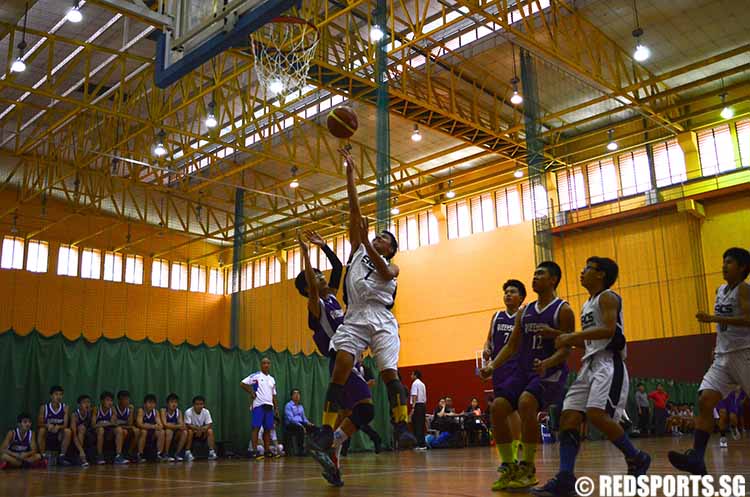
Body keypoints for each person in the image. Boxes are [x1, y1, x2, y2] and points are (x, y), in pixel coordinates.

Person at [309, 146, 416, 473]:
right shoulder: (357, 250)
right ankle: (327, 429)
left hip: (382, 318)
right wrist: (351, 173)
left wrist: (370, 242)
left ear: (390, 248)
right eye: (378, 235)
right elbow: (355, 211)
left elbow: (385, 273)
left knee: (388, 374)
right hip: (355, 316)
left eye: (385, 238)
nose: (379, 238)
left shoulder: (392, 266)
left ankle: (401, 427)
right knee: (341, 365)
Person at [532, 256, 650, 497]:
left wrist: (568, 336)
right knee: (568, 418)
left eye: (588, 268)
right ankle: (565, 477)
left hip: (609, 363)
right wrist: (559, 336)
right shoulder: (587, 304)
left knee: (597, 415)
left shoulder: (608, 297)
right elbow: (587, 342)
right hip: (589, 365)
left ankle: (637, 457)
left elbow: (608, 331)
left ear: (601, 275)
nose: (582, 272)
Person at [294, 230, 380, 486]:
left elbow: (337, 266)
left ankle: (333, 456)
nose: (321, 276)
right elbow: (311, 280)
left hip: (349, 357)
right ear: (308, 287)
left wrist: (323, 246)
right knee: (364, 409)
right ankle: (329, 439)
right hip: (338, 359)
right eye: (315, 276)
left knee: (355, 411)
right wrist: (306, 255)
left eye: (320, 274)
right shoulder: (315, 305)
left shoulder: (331, 295)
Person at [480, 262, 574, 491]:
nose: (535, 277)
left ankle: (528, 468)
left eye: (540, 274)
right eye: (533, 274)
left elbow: (568, 346)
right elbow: (511, 346)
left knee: (526, 403)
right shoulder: (525, 312)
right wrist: (492, 366)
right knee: (498, 407)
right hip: (522, 371)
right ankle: (509, 466)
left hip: (550, 371)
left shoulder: (563, 309)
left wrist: (548, 363)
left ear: (553, 280)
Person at [669, 248, 750, 475]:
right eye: (723, 261)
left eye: (730, 262)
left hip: (745, 353)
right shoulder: (720, 290)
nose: (724, 265)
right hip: (723, 357)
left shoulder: (744, 289)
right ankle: (697, 457)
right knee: (705, 400)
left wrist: (713, 318)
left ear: (743, 267)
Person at [482, 279, 527, 464]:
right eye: (506, 291)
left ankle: (516, 448)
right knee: (501, 410)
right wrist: (486, 349)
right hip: (499, 367)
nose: (508, 294)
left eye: (512, 291)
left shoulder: (524, 315)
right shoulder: (497, 316)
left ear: (521, 297)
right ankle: (509, 449)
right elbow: (488, 340)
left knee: (511, 408)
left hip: (516, 367)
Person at [241, 357, 279, 460]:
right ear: (261, 365)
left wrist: (276, 408)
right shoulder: (256, 376)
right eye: (264, 363)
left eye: (268, 363)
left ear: (270, 365)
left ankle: (267, 451)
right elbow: (243, 383)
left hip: (269, 406)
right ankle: (254, 451)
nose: (266, 365)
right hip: (258, 405)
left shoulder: (272, 379)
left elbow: (274, 394)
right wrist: (251, 392)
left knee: (268, 429)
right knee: (256, 428)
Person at [36, 385, 72, 465]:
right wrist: (47, 425)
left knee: (68, 431)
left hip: (59, 433)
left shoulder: (65, 407)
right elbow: (39, 423)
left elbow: (65, 424)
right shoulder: (44, 408)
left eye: (60, 394)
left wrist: (58, 427)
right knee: (41, 430)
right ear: (51, 396)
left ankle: (62, 457)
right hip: (48, 432)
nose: (58, 396)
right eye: (56, 394)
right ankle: (43, 457)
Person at [92, 391, 128, 465]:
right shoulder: (97, 409)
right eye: (107, 400)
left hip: (109, 429)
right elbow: (93, 425)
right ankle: (99, 455)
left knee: (119, 429)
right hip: (98, 430)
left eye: (111, 400)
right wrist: (104, 424)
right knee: (101, 430)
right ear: (102, 401)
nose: (110, 402)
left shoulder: (113, 409)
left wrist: (103, 423)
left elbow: (113, 423)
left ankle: (118, 456)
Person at [135, 394, 167, 462]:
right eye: (149, 402)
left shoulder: (156, 412)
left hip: (151, 431)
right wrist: (152, 426)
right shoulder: (141, 410)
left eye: (153, 403)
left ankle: (159, 454)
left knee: (162, 432)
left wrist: (149, 425)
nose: (151, 405)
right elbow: (139, 424)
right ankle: (140, 454)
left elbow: (160, 425)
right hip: (143, 431)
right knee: (144, 432)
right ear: (144, 404)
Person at [184, 395, 217, 461]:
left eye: (201, 404)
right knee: (189, 431)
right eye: (197, 404)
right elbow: (188, 425)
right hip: (193, 432)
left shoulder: (206, 411)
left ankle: (211, 452)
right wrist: (198, 429)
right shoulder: (188, 412)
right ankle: (187, 452)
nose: (199, 406)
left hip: (202, 432)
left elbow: (209, 424)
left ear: (204, 405)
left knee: (210, 431)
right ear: (193, 405)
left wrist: (202, 430)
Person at [284, 388, 314, 456]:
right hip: (291, 425)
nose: (297, 395)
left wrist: (309, 423)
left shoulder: (301, 406)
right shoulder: (288, 405)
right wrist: (301, 425)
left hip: (300, 423)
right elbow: (290, 419)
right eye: (295, 394)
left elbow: (304, 418)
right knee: (300, 429)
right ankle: (300, 451)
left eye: (298, 394)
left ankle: (311, 450)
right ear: (291, 396)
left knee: (313, 428)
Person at [161, 393, 188, 461]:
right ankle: (166, 454)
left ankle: (177, 454)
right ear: (167, 404)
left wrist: (172, 425)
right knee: (169, 431)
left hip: (175, 433)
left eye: (176, 402)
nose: (174, 404)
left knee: (184, 432)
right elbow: (165, 424)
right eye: (172, 402)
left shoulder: (178, 412)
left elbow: (181, 425)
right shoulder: (163, 410)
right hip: (165, 433)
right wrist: (176, 426)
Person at [114, 390, 139, 458]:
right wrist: (125, 424)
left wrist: (131, 412)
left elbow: (130, 424)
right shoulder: (114, 408)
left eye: (128, 399)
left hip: (125, 428)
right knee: (123, 432)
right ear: (119, 400)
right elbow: (115, 423)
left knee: (137, 431)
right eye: (125, 399)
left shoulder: (129, 409)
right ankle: (119, 454)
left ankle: (130, 452)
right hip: (115, 429)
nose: (127, 401)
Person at [70, 394, 93, 467]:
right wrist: (81, 450)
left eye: (88, 402)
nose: (87, 404)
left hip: (87, 436)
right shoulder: (74, 415)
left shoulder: (90, 413)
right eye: (84, 402)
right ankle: (80, 456)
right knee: (81, 428)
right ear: (79, 405)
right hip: (75, 437)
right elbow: (74, 434)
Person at [410, 370, 427, 450]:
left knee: (417, 425)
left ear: (415, 375)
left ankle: (419, 444)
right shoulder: (422, 384)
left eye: (412, 374)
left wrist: (413, 408)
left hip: (417, 405)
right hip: (423, 405)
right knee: (421, 425)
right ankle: (422, 444)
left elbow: (414, 396)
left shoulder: (415, 383)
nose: (411, 376)